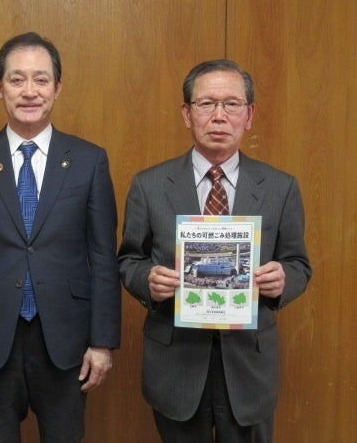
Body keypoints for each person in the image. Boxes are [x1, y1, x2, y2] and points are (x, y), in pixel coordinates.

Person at [118, 59, 312, 442]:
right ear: (186, 114)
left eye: (232, 104)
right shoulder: (149, 185)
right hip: (176, 362)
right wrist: (148, 280)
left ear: (249, 115)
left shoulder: (281, 187)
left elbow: (298, 264)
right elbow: (128, 260)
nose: (219, 116)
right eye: (206, 104)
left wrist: (283, 280)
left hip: (248, 366)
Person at [0, 32, 121, 442]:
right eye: (17, 79)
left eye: (41, 79)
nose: (29, 91)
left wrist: (102, 342)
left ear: (57, 88)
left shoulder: (89, 160)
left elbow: (103, 257)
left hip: (66, 340)